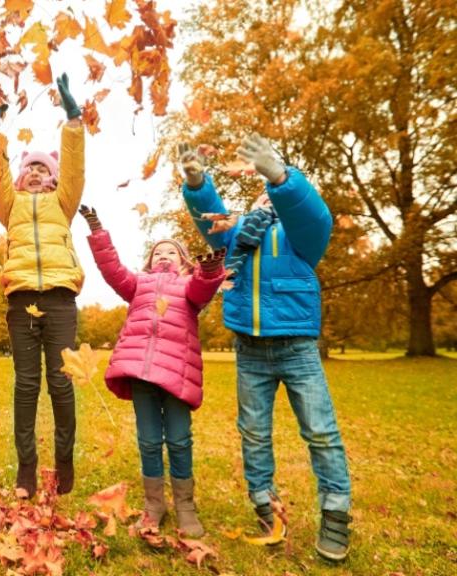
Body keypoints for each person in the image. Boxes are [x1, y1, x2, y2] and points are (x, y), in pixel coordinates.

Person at [180, 134, 352, 561]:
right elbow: (209, 220)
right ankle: (264, 505)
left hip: (297, 349)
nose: (265, 197)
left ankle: (335, 515)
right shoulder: (236, 236)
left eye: (272, 191)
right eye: (261, 192)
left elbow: (314, 214)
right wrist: (198, 183)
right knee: (254, 433)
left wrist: (280, 177)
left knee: (320, 432)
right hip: (250, 350)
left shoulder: (302, 237)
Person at [80, 206, 225, 537]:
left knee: (178, 439)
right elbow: (113, 270)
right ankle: (154, 504)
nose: (163, 255)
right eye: (157, 251)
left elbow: (203, 289)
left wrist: (209, 270)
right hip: (142, 373)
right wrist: (97, 230)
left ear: (184, 260)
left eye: (171, 251)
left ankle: (185, 506)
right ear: (148, 261)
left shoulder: (189, 285)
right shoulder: (138, 284)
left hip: (176, 376)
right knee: (148, 441)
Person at [0, 74, 85, 497]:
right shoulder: (12, 205)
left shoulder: (64, 202)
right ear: (22, 178)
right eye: (32, 168)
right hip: (21, 298)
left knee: (60, 382)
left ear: (54, 177)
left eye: (45, 168)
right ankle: (27, 467)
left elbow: (75, 169)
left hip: (60, 298)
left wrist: (73, 119)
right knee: (26, 384)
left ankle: (64, 460)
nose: (38, 173)